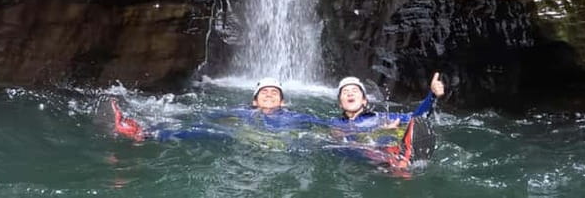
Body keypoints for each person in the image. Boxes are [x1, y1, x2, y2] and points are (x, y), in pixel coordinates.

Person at [111, 77, 322, 141]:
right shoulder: (242, 112)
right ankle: (143, 132)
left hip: (279, 143)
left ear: (283, 102)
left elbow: (323, 126)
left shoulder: (296, 116)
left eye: (274, 93)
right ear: (254, 101)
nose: (269, 94)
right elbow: (200, 116)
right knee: (199, 129)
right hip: (245, 138)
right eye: (264, 92)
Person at [328, 72, 445, 172]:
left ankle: (400, 159)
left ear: (364, 100)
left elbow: (417, 118)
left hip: (381, 151)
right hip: (357, 155)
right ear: (340, 103)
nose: (350, 93)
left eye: (354, 90)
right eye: (345, 92)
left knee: (388, 136)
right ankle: (398, 163)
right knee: (342, 144)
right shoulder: (335, 123)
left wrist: (432, 95)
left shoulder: (381, 117)